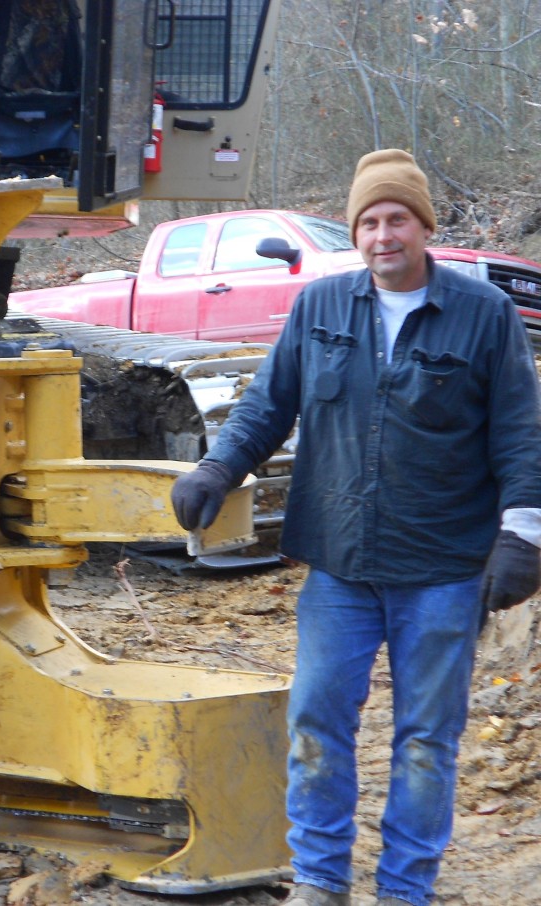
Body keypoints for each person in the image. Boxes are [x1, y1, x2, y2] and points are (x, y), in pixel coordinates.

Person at [171, 149, 541, 906]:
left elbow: (519, 433)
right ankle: (319, 880)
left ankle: (405, 890)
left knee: (427, 742)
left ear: (424, 227)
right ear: (354, 232)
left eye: (397, 219)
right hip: (339, 564)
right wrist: (218, 470)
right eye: (368, 222)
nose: (382, 236)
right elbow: (268, 404)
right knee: (316, 724)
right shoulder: (321, 306)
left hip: (443, 568)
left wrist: (524, 534)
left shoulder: (484, 315)